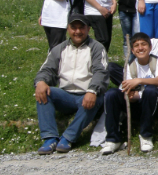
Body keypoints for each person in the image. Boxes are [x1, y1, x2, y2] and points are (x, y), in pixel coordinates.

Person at [34, 15, 108, 154]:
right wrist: (41, 82)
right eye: (73, 28)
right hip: (65, 94)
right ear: (68, 29)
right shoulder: (59, 49)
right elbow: (46, 69)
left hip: (86, 94)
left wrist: (92, 90)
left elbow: (101, 73)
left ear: (88, 29)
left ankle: (68, 138)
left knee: (97, 97)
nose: (77, 31)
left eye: (81, 28)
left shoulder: (97, 48)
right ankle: (50, 138)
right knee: (43, 90)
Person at [101, 33, 158, 155]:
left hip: (153, 105)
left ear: (150, 47)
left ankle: (146, 136)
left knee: (150, 90)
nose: (140, 48)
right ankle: (113, 139)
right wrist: (130, 96)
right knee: (111, 94)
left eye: (143, 44)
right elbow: (126, 89)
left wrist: (139, 81)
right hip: (135, 105)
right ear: (132, 50)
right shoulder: (130, 66)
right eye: (136, 46)